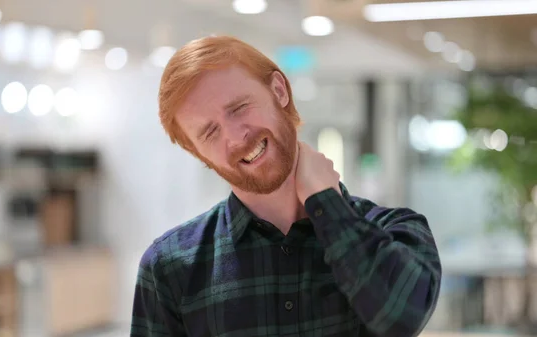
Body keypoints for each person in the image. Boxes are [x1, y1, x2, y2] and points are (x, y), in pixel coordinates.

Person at [131, 36, 441, 337]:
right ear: (200, 154)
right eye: (210, 132)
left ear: (279, 91)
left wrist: (324, 202)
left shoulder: (395, 230)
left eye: (239, 108)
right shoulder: (169, 268)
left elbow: (401, 319)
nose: (236, 137)